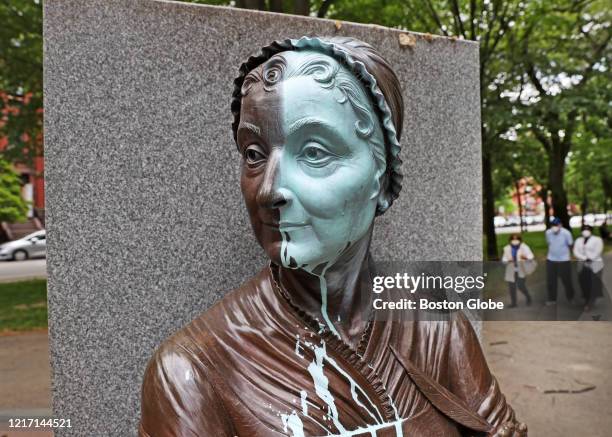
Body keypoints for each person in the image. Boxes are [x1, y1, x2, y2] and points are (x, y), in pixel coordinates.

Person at [139, 36, 526, 437]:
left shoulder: (435, 325)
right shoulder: (192, 374)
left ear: (381, 173)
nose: (269, 189)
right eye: (254, 154)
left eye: (314, 153)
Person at [573, 225, 604, 311]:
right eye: (583, 230)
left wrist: (590, 258)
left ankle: (590, 301)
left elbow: (598, 251)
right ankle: (587, 297)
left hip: (595, 264)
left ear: (591, 231)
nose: (585, 231)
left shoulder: (597, 239)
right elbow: (575, 251)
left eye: (587, 230)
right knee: (583, 282)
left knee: (593, 283)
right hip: (582, 264)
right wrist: (584, 258)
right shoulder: (578, 240)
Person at [545, 217, 575, 305]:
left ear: (560, 225)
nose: (554, 227)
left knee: (567, 280)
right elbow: (549, 243)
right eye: (553, 225)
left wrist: (570, 256)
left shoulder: (566, 233)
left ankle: (570, 298)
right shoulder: (548, 233)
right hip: (551, 259)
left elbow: (570, 244)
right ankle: (552, 299)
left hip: (564, 260)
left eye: (556, 225)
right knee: (551, 281)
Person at [501, 234, 534, 307]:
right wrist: (508, 260)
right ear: (510, 241)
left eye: (517, 239)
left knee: (521, 286)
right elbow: (504, 259)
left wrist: (525, 257)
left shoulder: (524, 247)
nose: (515, 241)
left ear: (520, 240)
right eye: (513, 239)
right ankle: (514, 303)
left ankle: (528, 297)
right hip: (511, 270)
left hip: (521, 269)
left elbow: (531, 256)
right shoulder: (507, 248)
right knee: (511, 288)